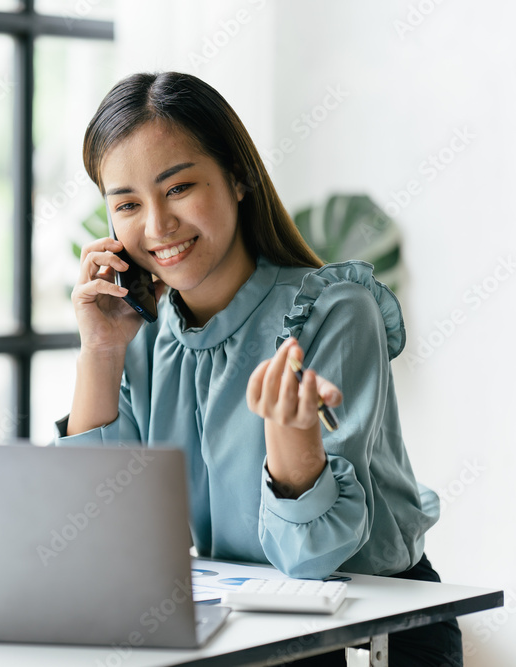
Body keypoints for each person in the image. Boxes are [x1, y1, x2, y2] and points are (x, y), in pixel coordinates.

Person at [55, 71, 463, 666]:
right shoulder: (138, 332)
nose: (158, 226)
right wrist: (100, 353)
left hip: (374, 630)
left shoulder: (335, 310)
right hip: (243, 628)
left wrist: (292, 444)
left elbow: (313, 558)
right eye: (127, 204)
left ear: (239, 178)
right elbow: (100, 544)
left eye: (178, 188)